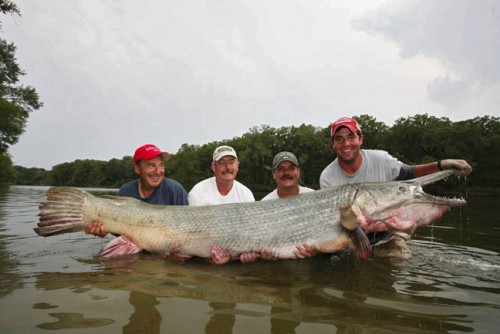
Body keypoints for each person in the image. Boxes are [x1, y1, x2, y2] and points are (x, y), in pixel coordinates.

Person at [319, 116, 473, 257]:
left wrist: (441, 165)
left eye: (351, 137)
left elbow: (410, 173)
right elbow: (330, 223)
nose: (346, 143)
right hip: (350, 235)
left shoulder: (381, 159)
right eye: (339, 139)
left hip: (388, 233)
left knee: (397, 261)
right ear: (333, 144)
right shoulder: (327, 177)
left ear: (360, 139)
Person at [85, 143, 189, 237]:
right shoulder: (126, 191)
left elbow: (188, 228)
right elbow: (117, 233)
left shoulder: (175, 190)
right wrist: (103, 230)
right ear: (137, 169)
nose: (158, 171)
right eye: (151, 165)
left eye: (161, 165)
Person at [188, 145, 258, 264]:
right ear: (213, 167)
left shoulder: (246, 194)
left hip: (236, 257)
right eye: (222, 162)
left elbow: (251, 232)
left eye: (231, 162)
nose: (227, 167)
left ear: (237, 166)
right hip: (203, 256)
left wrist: (251, 253)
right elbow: (195, 234)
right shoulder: (198, 191)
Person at [261, 151, 316, 259]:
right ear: (274, 174)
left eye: (291, 168)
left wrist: (317, 249)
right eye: (281, 169)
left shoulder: (314, 197)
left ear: (298, 172)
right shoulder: (263, 204)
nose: (286, 173)